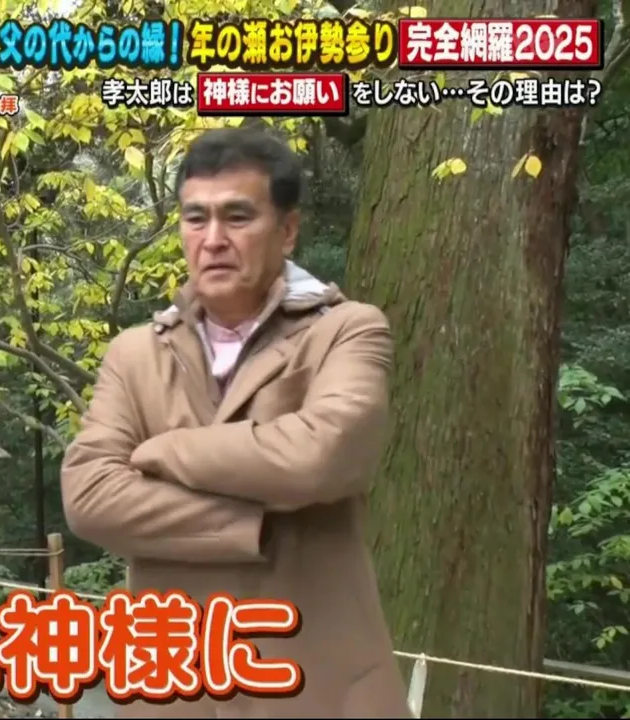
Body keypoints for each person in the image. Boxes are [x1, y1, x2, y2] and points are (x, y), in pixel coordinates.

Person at [59, 127, 411, 717]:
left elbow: (320, 458)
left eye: (238, 217)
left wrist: (163, 451)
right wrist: (257, 523)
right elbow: (90, 497)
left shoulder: (346, 330)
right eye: (196, 218)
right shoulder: (135, 353)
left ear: (288, 229)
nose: (213, 239)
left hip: (320, 691)